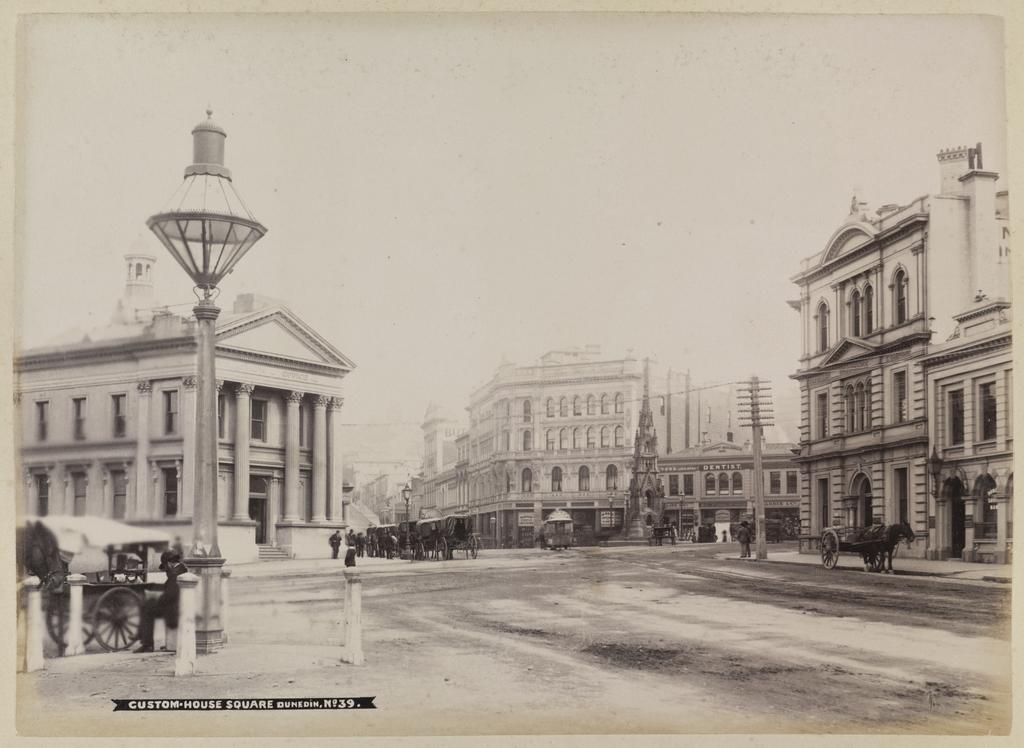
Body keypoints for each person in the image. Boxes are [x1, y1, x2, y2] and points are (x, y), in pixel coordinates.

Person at [135, 550, 186, 653]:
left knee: (148, 607)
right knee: (148, 604)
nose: (166, 571)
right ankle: (141, 636)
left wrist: (158, 599)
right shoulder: (181, 570)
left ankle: (147, 644)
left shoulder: (175, 574)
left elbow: (170, 595)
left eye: (166, 568)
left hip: (174, 609)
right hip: (178, 605)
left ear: (168, 563)